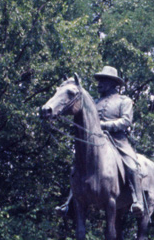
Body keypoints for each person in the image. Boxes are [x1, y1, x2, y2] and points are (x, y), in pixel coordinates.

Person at [57, 65, 144, 216]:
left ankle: (137, 201)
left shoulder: (124, 101)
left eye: (103, 81)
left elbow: (125, 121)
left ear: (112, 83)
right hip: (97, 141)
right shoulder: (95, 102)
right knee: (78, 166)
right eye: (99, 81)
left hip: (118, 140)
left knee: (131, 164)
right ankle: (69, 201)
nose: (99, 84)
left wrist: (103, 125)